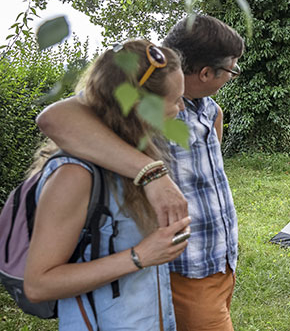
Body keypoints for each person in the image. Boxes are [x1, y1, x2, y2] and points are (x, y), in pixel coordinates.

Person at [36, 15, 245, 331]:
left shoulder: (211, 110)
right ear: (205, 72)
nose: (180, 108)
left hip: (220, 261)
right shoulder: (140, 118)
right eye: (232, 69)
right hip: (184, 268)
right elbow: (55, 118)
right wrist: (153, 174)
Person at [24, 39, 190, 330]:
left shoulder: (134, 155)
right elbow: (38, 285)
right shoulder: (74, 175)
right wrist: (141, 256)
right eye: (176, 99)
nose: (181, 107)